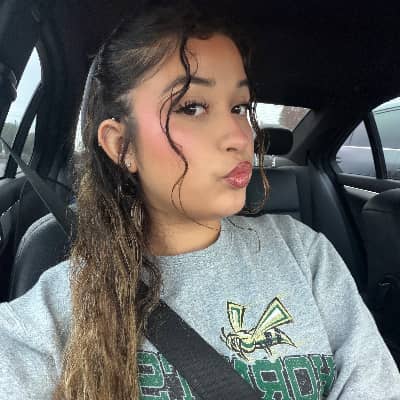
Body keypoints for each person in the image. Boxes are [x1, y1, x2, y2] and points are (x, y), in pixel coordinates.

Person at [0, 3, 399, 400]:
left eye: (240, 107)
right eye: (192, 107)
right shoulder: (65, 302)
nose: (241, 137)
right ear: (123, 146)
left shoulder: (304, 252)